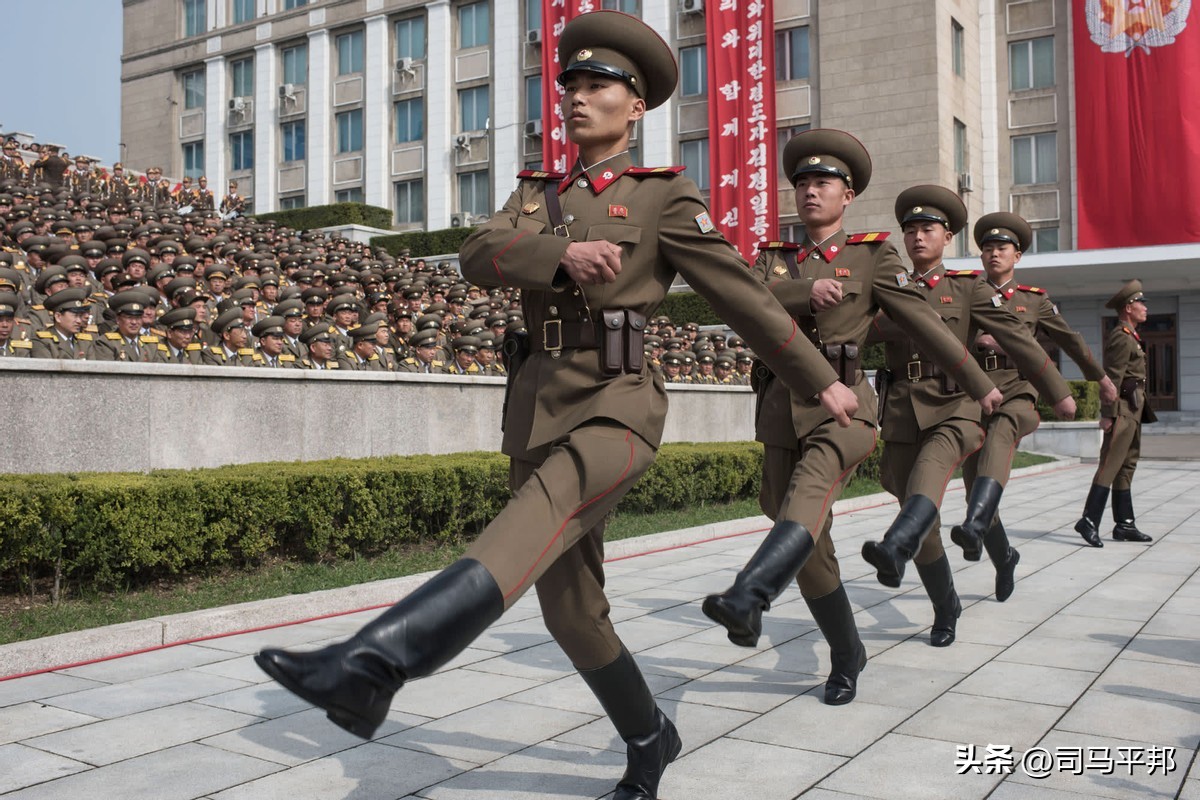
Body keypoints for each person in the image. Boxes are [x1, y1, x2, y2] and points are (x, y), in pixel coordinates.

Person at [254, 12, 856, 800]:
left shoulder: (663, 195)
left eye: (597, 84)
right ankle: (651, 735)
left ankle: (376, 661)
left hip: (617, 402)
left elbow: (745, 298)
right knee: (570, 611)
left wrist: (820, 380)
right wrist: (561, 253)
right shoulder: (536, 195)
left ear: (634, 107)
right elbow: (477, 256)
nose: (575, 95)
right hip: (536, 405)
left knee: (536, 514)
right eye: (569, 82)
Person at [703, 134, 1003, 707]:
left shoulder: (873, 255)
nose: (810, 191)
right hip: (780, 411)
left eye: (823, 183)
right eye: (802, 183)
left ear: (848, 196)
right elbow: (745, 301)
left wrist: (979, 383)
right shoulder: (774, 258)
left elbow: (923, 321)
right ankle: (848, 651)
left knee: (805, 496)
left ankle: (750, 594)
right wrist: (803, 290)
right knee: (805, 539)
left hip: (844, 412)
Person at [861, 185, 1075, 646]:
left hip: (953, 407)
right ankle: (947, 601)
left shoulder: (967, 287)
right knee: (920, 517)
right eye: (910, 230)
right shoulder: (888, 289)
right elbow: (858, 330)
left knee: (925, 486)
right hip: (901, 410)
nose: (918, 237)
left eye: (928, 229)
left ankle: (901, 553)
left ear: (947, 237)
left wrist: (1058, 392)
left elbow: (1016, 336)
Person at [949, 212, 1118, 601]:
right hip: (974, 393)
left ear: (1018, 256)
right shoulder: (964, 293)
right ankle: (1004, 557)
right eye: (987, 248)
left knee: (998, 443)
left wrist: (1100, 378)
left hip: (1016, 391)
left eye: (1002, 248)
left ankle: (974, 527)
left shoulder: (1033, 300)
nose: (994, 254)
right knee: (977, 491)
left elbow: (1071, 341)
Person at [1075, 280, 1155, 546]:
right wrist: (1108, 414)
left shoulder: (1131, 336)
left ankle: (1124, 524)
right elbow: (1112, 378)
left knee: (1127, 464)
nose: (1145, 308)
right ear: (1129, 308)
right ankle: (1089, 521)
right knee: (1110, 464)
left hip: (1133, 409)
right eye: (1141, 303)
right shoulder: (1121, 337)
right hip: (1122, 410)